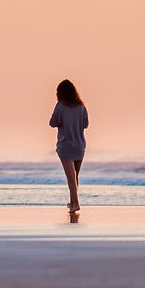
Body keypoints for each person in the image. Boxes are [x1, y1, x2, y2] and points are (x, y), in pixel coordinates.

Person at [48, 79, 90, 215]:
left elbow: (52, 123)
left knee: (70, 177)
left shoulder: (60, 106)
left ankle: (75, 203)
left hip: (65, 145)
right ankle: (72, 202)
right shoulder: (81, 107)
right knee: (75, 176)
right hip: (79, 145)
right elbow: (85, 125)